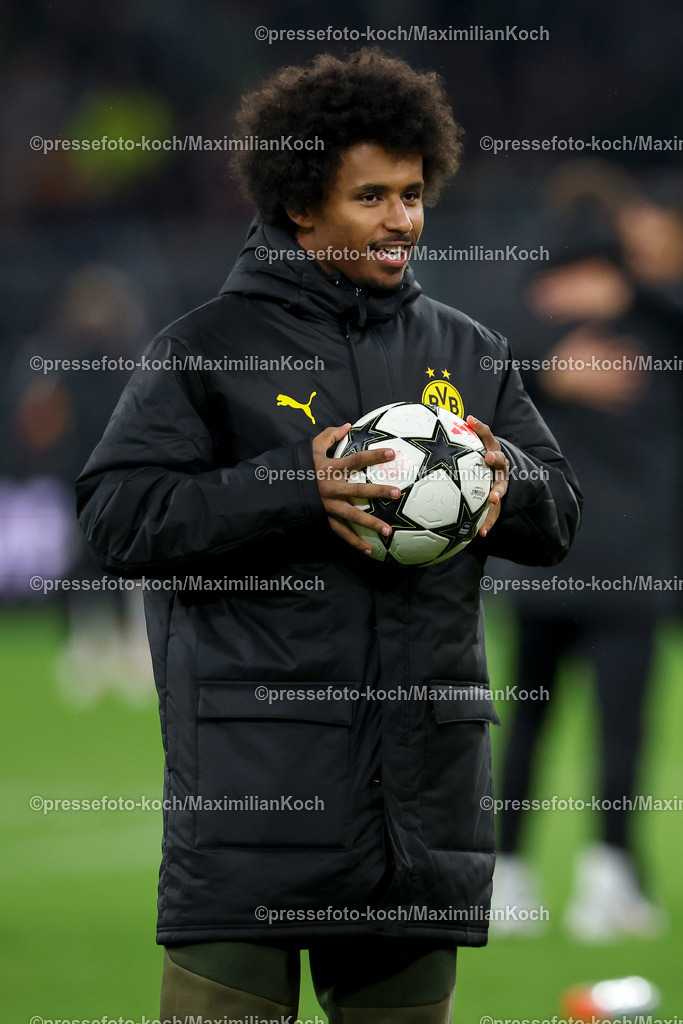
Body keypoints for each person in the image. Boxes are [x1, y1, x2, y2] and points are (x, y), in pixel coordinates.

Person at [76, 48, 581, 1024]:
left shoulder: (466, 351)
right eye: (371, 196)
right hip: (252, 808)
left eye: (412, 192)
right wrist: (292, 485)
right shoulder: (204, 349)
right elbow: (116, 517)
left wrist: (501, 484)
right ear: (300, 203)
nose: (402, 220)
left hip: (420, 815)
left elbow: (557, 511)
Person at [490, 197, 681, 941]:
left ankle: (605, 879)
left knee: (612, 730)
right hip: (554, 563)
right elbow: (474, 364)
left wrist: (628, 292)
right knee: (532, 726)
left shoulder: (655, 325)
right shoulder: (530, 341)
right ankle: (511, 877)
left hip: (625, 569)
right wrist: (549, 366)